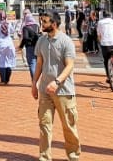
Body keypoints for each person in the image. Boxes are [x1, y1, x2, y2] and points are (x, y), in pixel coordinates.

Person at [32, 11, 80, 161]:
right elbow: (39, 64)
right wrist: (34, 84)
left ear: (53, 24)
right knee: (44, 124)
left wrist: (57, 81)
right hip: (45, 90)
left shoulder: (66, 41)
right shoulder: (41, 41)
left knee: (68, 126)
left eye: (45, 22)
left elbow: (69, 65)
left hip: (64, 91)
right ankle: (44, 157)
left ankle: (73, 156)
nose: (42, 24)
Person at [98, 11, 113, 81]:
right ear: (111, 15)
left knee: (106, 60)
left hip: (105, 45)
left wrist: (101, 43)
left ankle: (109, 77)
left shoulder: (100, 22)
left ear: (103, 16)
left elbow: (99, 35)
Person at [0, 10, 17, 84]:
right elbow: (13, 31)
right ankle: (7, 80)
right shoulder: (8, 24)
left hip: (1, 45)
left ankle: (3, 80)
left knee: (1, 62)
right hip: (9, 44)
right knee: (8, 62)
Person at [19, 10, 40, 78]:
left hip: (30, 46)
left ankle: (34, 80)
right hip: (38, 46)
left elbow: (25, 38)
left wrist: (21, 46)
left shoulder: (25, 27)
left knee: (31, 63)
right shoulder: (37, 25)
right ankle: (37, 79)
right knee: (37, 63)